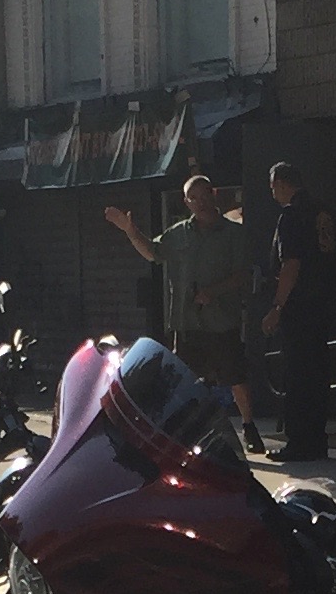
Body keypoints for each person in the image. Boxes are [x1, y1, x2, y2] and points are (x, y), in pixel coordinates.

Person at [104, 175, 263, 449]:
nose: (199, 202)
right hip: (186, 323)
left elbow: (242, 275)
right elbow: (152, 252)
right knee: (180, 383)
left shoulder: (233, 233)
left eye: (204, 196)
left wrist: (213, 291)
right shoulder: (178, 233)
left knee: (235, 377)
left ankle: (249, 428)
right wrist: (130, 230)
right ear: (186, 201)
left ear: (213, 194)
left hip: (221, 321)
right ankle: (180, 433)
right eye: (193, 198)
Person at [258, 161, 336, 463]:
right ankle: (317, 439)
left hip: (300, 306)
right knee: (318, 374)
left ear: (280, 182)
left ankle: (300, 442)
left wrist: (277, 307)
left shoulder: (291, 216)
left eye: (272, 186)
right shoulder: (324, 212)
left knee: (298, 375)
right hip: (323, 304)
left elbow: (291, 264)